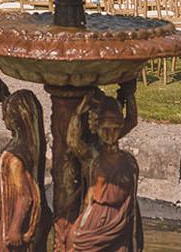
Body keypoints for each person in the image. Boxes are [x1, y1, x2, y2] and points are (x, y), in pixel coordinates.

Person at [65, 83, 142, 252]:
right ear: (96, 128)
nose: (110, 134)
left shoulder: (128, 160)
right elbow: (72, 141)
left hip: (121, 218)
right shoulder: (93, 156)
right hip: (96, 217)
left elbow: (132, 120)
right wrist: (78, 112)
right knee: (76, 241)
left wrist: (129, 94)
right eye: (105, 129)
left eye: (115, 129)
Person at [0, 70, 49, 252]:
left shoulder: (15, 158)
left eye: (7, 114)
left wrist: (15, 229)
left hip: (16, 224)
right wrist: (6, 97)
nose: (3, 117)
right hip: (11, 218)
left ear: (17, 119)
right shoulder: (30, 143)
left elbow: (26, 196)